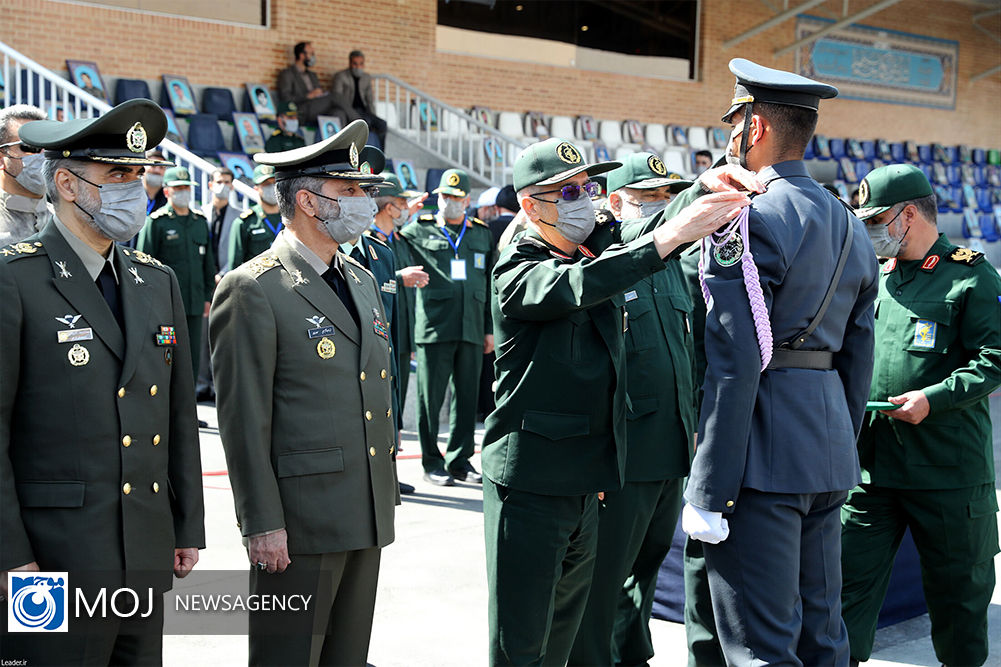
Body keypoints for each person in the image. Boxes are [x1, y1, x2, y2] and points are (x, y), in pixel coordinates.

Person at [483, 136, 757, 666]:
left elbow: (644, 230)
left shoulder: (596, 247)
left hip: (588, 480)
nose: (583, 198)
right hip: (532, 483)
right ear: (530, 206)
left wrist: (705, 183)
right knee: (520, 637)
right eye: (566, 191)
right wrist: (672, 234)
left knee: (566, 624)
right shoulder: (517, 268)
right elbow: (584, 283)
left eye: (588, 186)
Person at [682, 58, 879, 666]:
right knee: (822, 637)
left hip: (759, 458)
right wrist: (837, 444)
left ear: (756, 128)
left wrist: (709, 488)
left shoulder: (750, 219)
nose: (729, 140)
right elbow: (858, 353)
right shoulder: (848, 220)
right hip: (825, 449)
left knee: (760, 648)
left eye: (734, 125)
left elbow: (736, 362)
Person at [0, 98, 204, 665]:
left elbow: (177, 416)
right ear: (66, 183)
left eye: (139, 174)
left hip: (143, 550)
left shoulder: (153, 280)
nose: (134, 188)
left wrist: (185, 526)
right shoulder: (13, 278)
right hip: (49, 562)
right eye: (117, 174)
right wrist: (9, 555)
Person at [210, 119, 398, 667]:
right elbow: (244, 421)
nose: (365, 202)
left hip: (363, 509)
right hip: (298, 524)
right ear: (310, 202)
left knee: (347, 657)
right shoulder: (253, 287)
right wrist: (262, 522)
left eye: (365, 190)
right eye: (351, 191)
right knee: (287, 658)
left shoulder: (360, 279)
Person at [841, 164, 1001, 667]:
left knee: (959, 605)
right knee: (840, 596)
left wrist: (936, 397)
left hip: (948, 473)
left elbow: (995, 359)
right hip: (871, 472)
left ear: (909, 215)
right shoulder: (874, 276)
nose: (869, 231)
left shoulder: (970, 274)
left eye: (876, 220)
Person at [567, 153, 695, 666]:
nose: (663, 207)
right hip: (623, 454)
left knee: (649, 567)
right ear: (614, 203)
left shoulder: (674, 268)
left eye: (669, 197)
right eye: (649, 199)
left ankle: (631, 654)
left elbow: (692, 356)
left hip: (671, 447)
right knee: (603, 576)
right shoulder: (599, 266)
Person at [399, 168, 495, 486]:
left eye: (455, 197)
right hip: (435, 326)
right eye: (444, 196)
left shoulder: (481, 233)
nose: (449, 201)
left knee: (467, 397)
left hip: (471, 326)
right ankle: (431, 461)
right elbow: (389, 240)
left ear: (467, 200)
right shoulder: (418, 229)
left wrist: (488, 329)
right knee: (431, 397)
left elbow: (490, 282)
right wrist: (403, 215)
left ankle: (460, 460)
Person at [138, 166, 215, 381]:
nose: (183, 192)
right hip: (166, 307)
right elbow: (144, 266)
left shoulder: (199, 222)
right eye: (178, 188)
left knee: (191, 358)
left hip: (194, 305)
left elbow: (208, 264)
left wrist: (208, 296)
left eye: (187, 188)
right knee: (168, 355)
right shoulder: (156, 223)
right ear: (166, 192)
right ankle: (167, 411)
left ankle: (188, 411)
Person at [368, 172, 429, 422]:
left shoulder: (399, 239)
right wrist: (399, 277)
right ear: (388, 207)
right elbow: (365, 279)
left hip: (402, 331)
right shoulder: (367, 240)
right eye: (401, 204)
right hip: (378, 329)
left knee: (398, 399)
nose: (406, 208)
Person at [0, 105, 50, 245]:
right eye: (30, 147)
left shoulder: (68, 221)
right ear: (1, 158)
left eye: (50, 146)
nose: (43, 155)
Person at [277, 41, 352, 127]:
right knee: (335, 96)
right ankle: (360, 122)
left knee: (339, 113)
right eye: (311, 53)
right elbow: (285, 98)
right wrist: (308, 96)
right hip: (301, 109)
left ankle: (341, 139)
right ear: (302, 55)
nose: (313, 56)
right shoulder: (287, 74)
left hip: (316, 107)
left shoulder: (312, 75)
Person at [227, 164, 283, 270]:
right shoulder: (244, 222)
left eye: (275, 183)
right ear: (256, 188)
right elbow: (235, 266)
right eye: (266, 184)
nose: (272, 188)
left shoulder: (290, 218)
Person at [332, 50, 388, 148]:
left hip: (364, 111)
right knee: (365, 122)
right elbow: (337, 97)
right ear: (350, 63)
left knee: (382, 124)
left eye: (361, 64)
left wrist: (373, 116)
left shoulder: (366, 78)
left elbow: (370, 100)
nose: (358, 67)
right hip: (348, 111)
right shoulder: (340, 76)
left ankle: (380, 153)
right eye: (355, 64)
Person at [202, 167, 239, 276]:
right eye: (219, 182)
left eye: (227, 182)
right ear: (210, 185)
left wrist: (223, 274)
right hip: (204, 276)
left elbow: (238, 251)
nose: (223, 185)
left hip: (228, 275)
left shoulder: (239, 217)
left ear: (231, 186)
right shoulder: (200, 213)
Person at [142, 148, 168, 216]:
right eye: (153, 166)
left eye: (161, 167)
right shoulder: (133, 192)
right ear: (143, 167)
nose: (157, 171)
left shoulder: (167, 197)